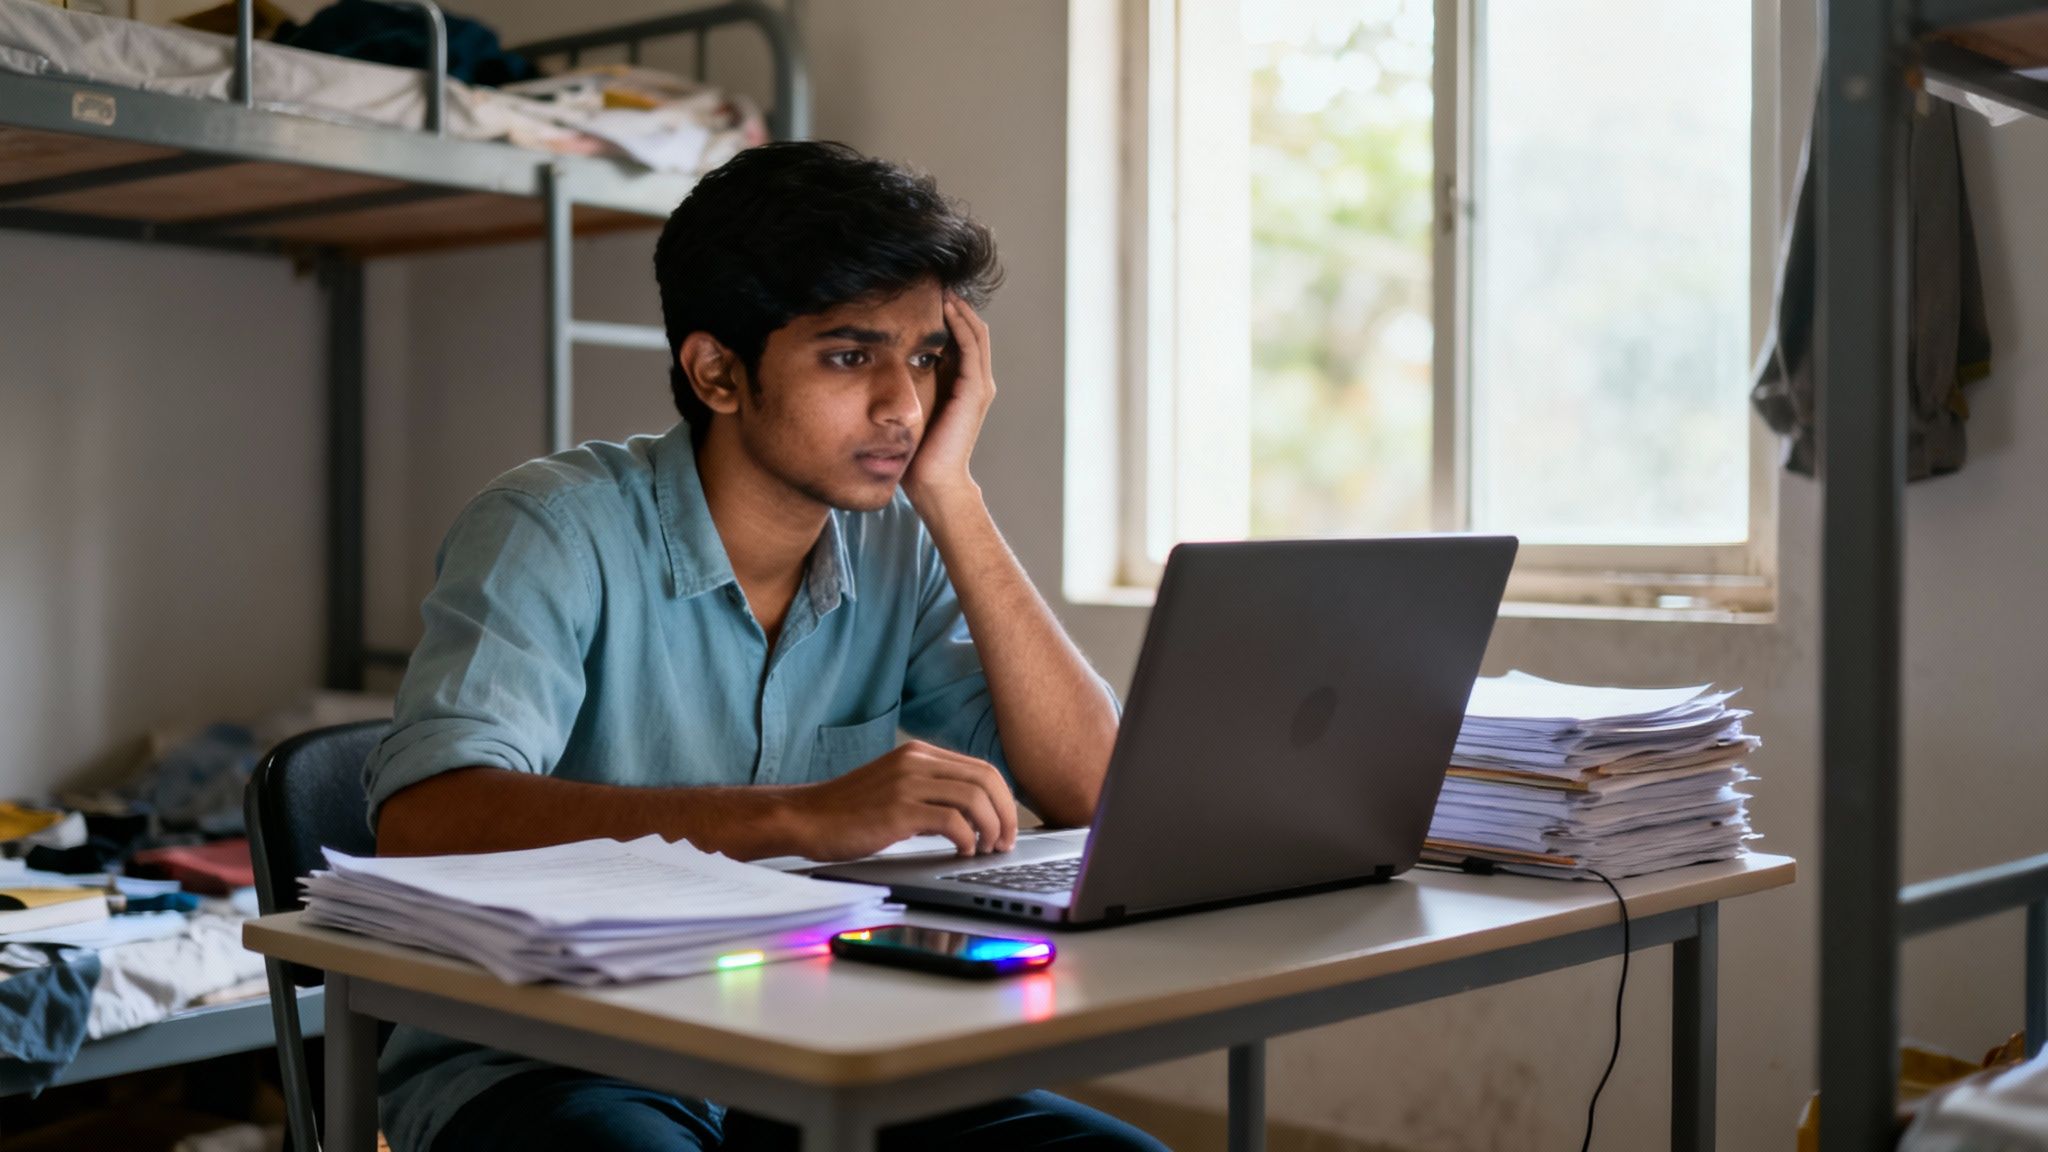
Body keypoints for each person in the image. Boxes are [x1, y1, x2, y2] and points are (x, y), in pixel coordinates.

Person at [361, 141, 1163, 1152]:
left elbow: (1103, 795)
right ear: (717, 373)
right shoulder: (551, 528)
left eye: (923, 357)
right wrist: (798, 816)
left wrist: (950, 492)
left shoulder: (899, 541)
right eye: (848, 355)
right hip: (554, 1057)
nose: (903, 405)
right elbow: (425, 823)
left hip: (813, 1039)